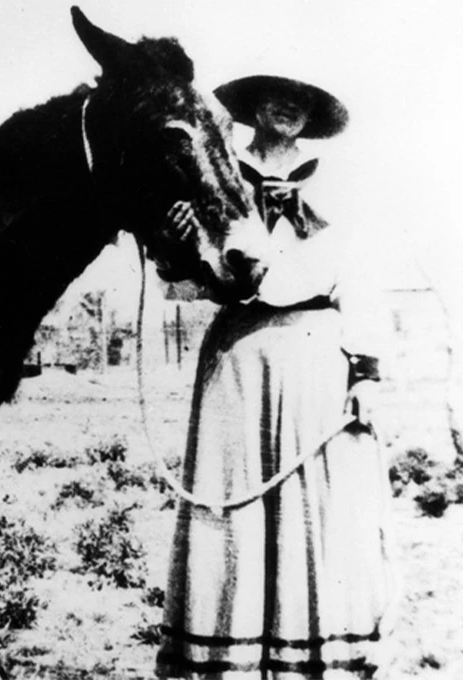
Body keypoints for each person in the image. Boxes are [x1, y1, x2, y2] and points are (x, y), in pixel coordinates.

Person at [152, 75, 399, 679]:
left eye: (302, 99)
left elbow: (362, 281)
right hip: (238, 359)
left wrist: (364, 373)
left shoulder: (340, 185)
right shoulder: (217, 176)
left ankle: (314, 659)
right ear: (253, 108)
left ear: (312, 114)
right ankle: (229, 659)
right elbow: (184, 286)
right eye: (274, 96)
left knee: (319, 513)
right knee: (233, 513)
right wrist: (181, 247)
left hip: (318, 358)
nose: (287, 107)